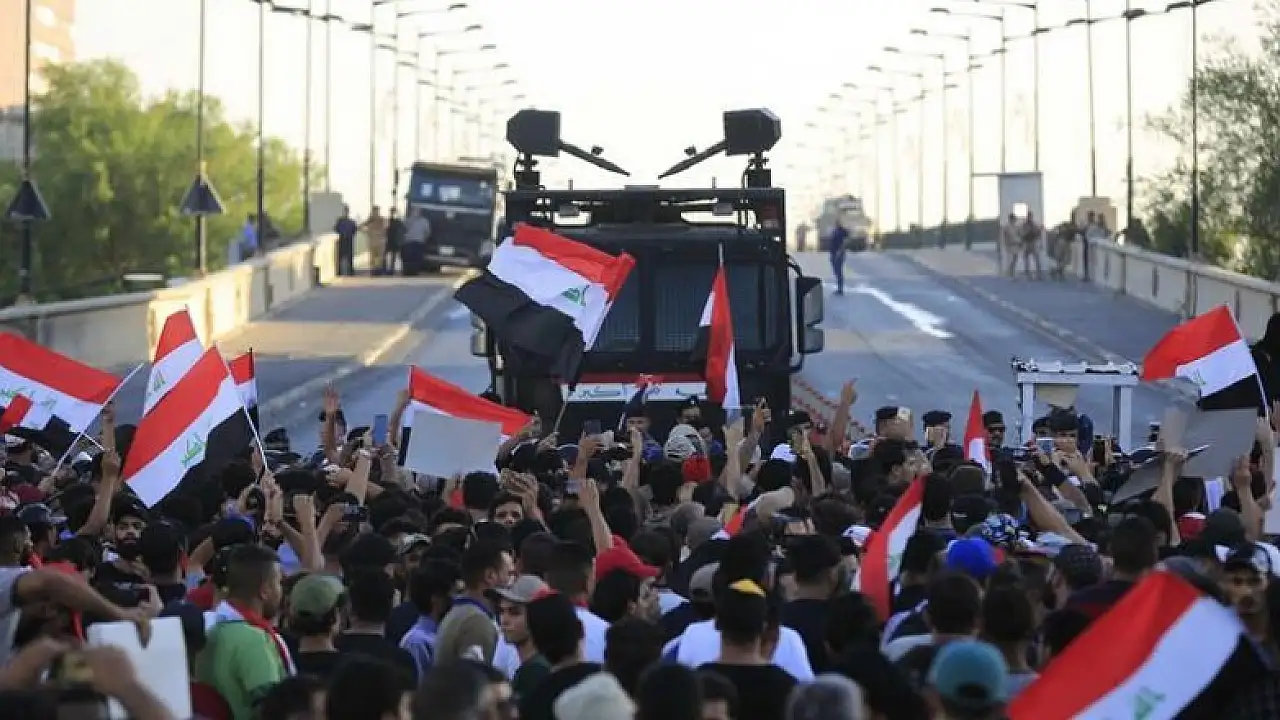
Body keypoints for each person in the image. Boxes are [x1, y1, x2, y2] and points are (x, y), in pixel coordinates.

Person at [196, 544, 290, 720]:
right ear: (264, 591)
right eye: (279, 582)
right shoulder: (254, 640)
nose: (281, 591)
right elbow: (272, 711)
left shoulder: (207, 628)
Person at [402, 208, 431, 277]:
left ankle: (415, 271)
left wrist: (424, 239)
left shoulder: (424, 221)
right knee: (408, 257)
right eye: (414, 211)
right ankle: (407, 271)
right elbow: (403, 229)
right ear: (412, 212)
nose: (416, 213)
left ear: (420, 213)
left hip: (419, 242)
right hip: (409, 241)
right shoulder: (408, 220)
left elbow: (427, 232)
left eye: (417, 211)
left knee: (417, 258)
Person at [362, 205, 388, 277]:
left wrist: (381, 234)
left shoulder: (382, 220)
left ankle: (378, 271)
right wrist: (367, 232)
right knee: (372, 257)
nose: (375, 213)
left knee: (380, 257)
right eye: (374, 211)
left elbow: (385, 229)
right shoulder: (370, 220)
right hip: (372, 241)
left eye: (376, 211)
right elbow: (360, 227)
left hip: (380, 242)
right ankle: (373, 270)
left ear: (378, 211)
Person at [334, 205, 358, 277]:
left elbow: (354, 230)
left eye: (347, 211)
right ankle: (340, 271)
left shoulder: (351, 222)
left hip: (349, 240)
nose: (346, 212)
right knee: (340, 257)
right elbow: (336, 229)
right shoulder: (340, 221)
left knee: (349, 257)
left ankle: (350, 271)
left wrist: (349, 234)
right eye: (345, 211)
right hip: (342, 240)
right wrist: (343, 233)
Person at [828, 222, 850, 295]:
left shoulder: (839, 233)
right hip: (836, 253)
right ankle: (840, 288)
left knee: (838, 271)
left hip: (837, 254)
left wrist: (839, 252)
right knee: (837, 271)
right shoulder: (838, 232)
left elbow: (842, 244)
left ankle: (840, 289)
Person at [386, 208, 406, 276]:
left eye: (394, 212)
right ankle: (386, 269)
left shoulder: (399, 222)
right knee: (386, 256)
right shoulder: (388, 221)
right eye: (392, 212)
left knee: (394, 256)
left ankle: (392, 269)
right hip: (388, 240)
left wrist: (400, 238)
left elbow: (404, 230)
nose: (392, 214)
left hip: (395, 240)